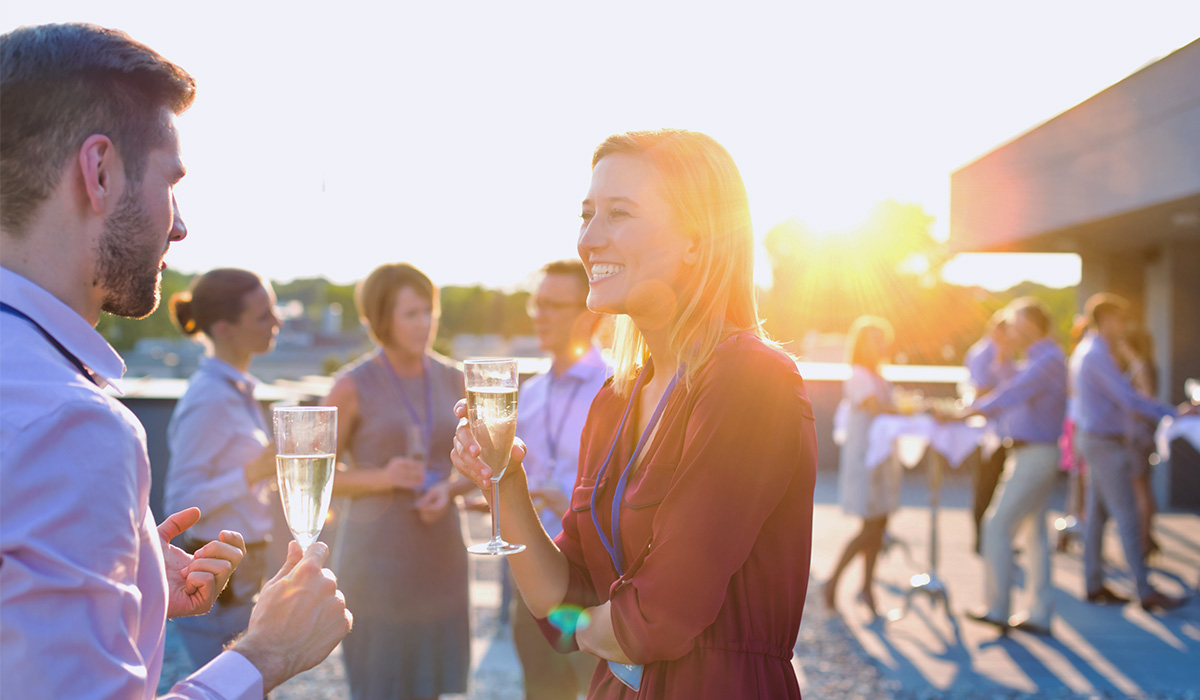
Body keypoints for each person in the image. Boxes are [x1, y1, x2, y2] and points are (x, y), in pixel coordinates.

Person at [0, 23, 350, 699]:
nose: (180, 224)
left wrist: (127, 589)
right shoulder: (72, 426)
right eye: (170, 181)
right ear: (98, 173)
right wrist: (265, 654)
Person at [452, 129, 818, 699]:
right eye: (586, 214)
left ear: (697, 238)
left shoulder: (750, 377)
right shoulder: (615, 398)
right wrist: (505, 480)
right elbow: (559, 605)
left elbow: (656, 622)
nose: (589, 239)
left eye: (618, 214)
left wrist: (604, 628)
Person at [322, 262, 475, 700]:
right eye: (411, 313)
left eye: (428, 310)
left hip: (441, 555)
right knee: (379, 684)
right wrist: (382, 477)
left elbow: (484, 466)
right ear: (380, 317)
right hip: (376, 564)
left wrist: (450, 489)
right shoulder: (351, 385)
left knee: (434, 686)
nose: (424, 323)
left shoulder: (456, 378)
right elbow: (314, 481)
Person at [164, 269, 283, 668]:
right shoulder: (209, 398)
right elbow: (179, 500)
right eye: (264, 315)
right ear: (224, 328)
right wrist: (251, 474)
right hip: (219, 579)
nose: (277, 322)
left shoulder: (235, 389)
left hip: (241, 570)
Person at [513, 259, 608, 699]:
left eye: (553, 305)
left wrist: (564, 499)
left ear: (588, 313)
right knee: (541, 691)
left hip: (594, 579)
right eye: (537, 303)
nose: (540, 314)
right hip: (534, 575)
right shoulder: (530, 392)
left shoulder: (617, 387)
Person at [1069, 293, 1189, 612]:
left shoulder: (1089, 351)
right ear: (1106, 320)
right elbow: (1129, 399)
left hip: (1095, 439)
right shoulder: (1095, 354)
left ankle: (1094, 583)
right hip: (1104, 443)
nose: (1123, 327)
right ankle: (1144, 590)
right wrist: (1176, 412)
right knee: (1127, 515)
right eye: (1119, 320)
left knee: (1095, 517)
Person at [961, 299, 1066, 636]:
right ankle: (1039, 613)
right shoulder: (1037, 358)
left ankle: (998, 608)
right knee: (1033, 535)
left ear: (1032, 326)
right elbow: (1012, 385)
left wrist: (967, 412)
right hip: (1027, 453)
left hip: (1035, 454)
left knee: (996, 526)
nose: (1010, 331)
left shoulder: (1048, 360)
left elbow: (1010, 393)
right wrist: (1003, 355)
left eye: (1016, 325)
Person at [822, 315, 901, 617]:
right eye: (876, 340)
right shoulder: (858, 375)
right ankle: (833, 580)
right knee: (870, 526)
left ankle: (866, 587)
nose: (881, 345)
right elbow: (875, 407)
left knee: (879, 524)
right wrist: (912, 410)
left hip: (880, 457)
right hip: (866, 458)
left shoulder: (877, 375)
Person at [963, 310, 1015, 553]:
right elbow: (979, 392)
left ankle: (996, 537)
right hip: (985, 431)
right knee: (984, 486)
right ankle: (981, 540)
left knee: (998, 487)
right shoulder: (983, 354)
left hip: (1003, 430)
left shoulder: (1005, 354)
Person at [1116, 327, 1161, 558]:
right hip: (1141, 435)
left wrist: (1125, 409)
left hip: (1138, 435)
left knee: (1140, 488)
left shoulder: (1141, 366)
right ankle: (1147, 538)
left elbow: (1147, 400)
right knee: (1142, 487)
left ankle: (1144, 540)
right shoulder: (1144, 365)